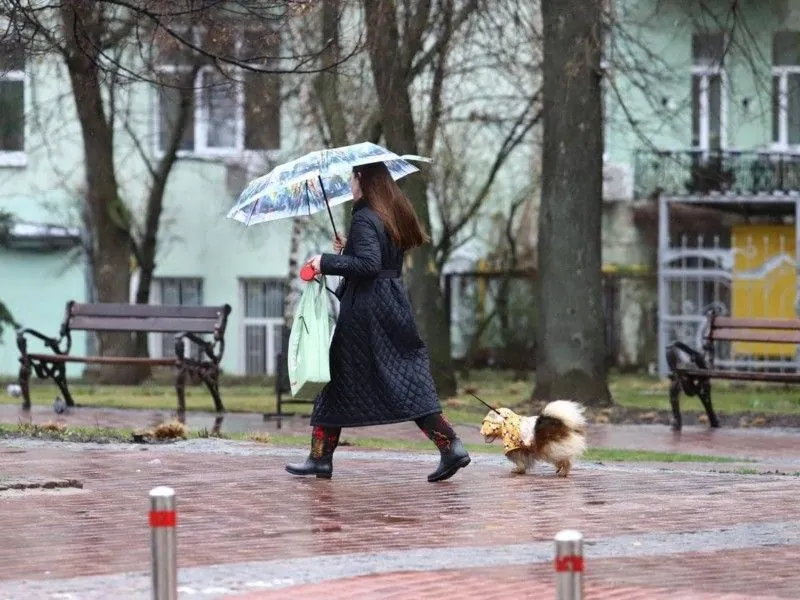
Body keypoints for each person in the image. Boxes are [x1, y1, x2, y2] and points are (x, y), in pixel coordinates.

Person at [286, 162, 471, 483]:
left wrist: (324, 261)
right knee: (402, 378)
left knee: (338, 379)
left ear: (362, 179)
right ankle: (449, 446)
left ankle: (319, 458)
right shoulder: (388, 213)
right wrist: (348, 250)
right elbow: (377, 259)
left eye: (351, 178)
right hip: (392, 304)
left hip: (366, 312)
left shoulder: (363, 216)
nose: (349, 184)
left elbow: (369, 265)